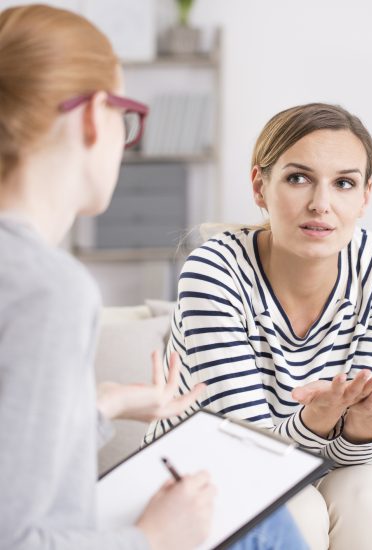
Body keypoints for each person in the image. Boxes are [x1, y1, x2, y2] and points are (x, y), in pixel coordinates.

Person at [0, 5, 306, 550]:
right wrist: (154, 539)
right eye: (127, 114)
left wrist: (103, 405)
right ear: (96, 115)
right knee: (262, 524)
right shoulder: (50, 289)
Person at [144, 102, 372, 549]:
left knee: (365, 490)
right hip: (196, 474)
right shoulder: (214, 270)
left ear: (365, 196)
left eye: (343, 183)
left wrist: (365, 422)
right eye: (298, 178)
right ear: (259, 185)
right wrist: (320, 417)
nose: (320, 204)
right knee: (299, 506)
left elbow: (355, 457)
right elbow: (249, 454)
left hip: (306, 465)